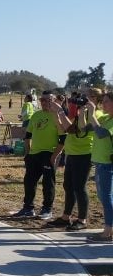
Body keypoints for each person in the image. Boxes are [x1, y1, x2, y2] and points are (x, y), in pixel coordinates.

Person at [48, 88, 103, 231]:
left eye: (89, 97)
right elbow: (65, 129)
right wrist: (56, 113)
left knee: (79, 187)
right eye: (84, 96)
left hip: (84, 154)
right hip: (72, 153)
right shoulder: (80, 113)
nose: (85, 99)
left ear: (97, 99)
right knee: (68, 186)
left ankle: (82, 219)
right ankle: (66, 217)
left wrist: (60, 111)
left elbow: (77, 131)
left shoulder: (97, 115)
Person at [13, 92, 65, 219]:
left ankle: (47, 208)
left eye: (47, 100)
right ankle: (28, 208)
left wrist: (54, 156)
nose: (43, 102)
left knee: (48, 183)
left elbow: (63, 139)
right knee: (29, 181)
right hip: (34, 154)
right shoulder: (36, 115)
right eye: (42, 99)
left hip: (49, 153)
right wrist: (28, 152)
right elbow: (28, 135)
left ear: (53, 101)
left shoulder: (57, 116)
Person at [85, 94, 113, 242]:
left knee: (107, 198)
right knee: (103, 197)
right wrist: (85, 112)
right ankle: (109, 228)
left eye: (107, 102)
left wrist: (93, 113)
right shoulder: (105, 118)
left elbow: (101, 133)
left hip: (107, 165)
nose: (104, 104)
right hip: (100, 163)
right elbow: (86, 128)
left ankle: (107, 232)